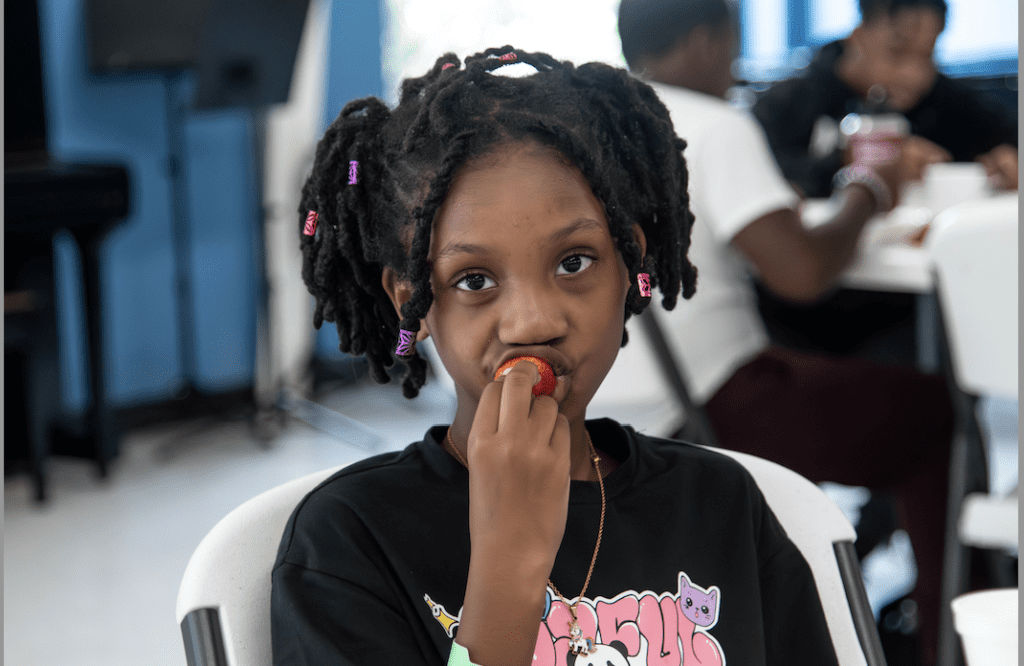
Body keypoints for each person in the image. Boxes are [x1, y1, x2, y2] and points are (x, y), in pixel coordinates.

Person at [271, 47, 839, 666]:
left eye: (575, 262)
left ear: (630, 267)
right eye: (473, 280)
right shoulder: (349, 543)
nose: (533, 320)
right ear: (413, 302)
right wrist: (508, 570)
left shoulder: (721, 503)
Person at [617, 2, 954, 665]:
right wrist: (869, 188)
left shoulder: (577, 120)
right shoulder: (712, 126)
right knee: (932, 412)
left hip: (592, 409)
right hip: (709, 412)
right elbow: (802, 273)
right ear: (713, 39)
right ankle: (948, 638)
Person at [753, 0, 1018, 199]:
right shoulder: (789, 103)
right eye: (898, 51)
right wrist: (852, 164)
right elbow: (757, 179)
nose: (914, 74)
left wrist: (1007, 159)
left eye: (927, 54)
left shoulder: (947, 100)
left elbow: (1010, 134)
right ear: (858, 36)